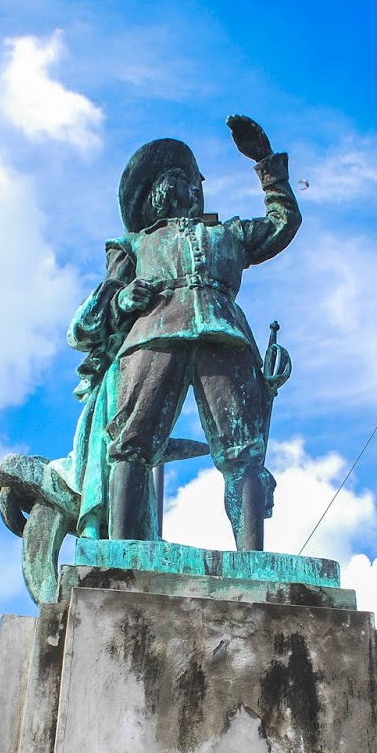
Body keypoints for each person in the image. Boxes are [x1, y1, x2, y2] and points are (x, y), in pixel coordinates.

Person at [67, 115, 300, 550]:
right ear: (153, 194)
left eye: (188, 179)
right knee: (132, 443)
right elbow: (106, 300)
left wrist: (267, 166)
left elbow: (282, 224)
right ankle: (122, 552)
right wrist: (123, 300)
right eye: (173, 178)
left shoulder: (229, 233)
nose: (185, 186)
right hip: (153, 336)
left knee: (244, 453)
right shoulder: (133, 244)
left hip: (225, 333)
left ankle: (252, 558)